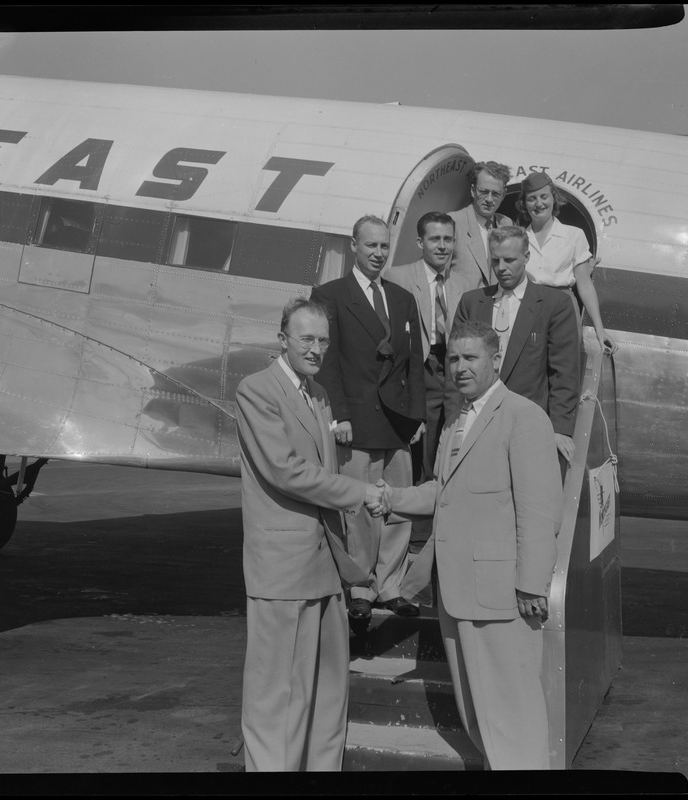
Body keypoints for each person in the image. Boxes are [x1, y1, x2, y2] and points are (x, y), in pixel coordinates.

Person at [373, 319, 562, 770]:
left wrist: (532, 585)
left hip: (503, 597)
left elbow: (540, 511)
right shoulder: (456, 422)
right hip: (458, 594)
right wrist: (391, 498)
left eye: (471, 358)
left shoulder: (524, 416)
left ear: (495, 361)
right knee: (480, 720)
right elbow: (442, 490)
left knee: (513, 718)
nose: (460, 368)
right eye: (453, 359)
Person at [235, 297, 386, 771]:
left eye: (323, 340)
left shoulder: (318, 394)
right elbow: (287, 471)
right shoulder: (257, 390)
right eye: (306, 339)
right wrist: (359, 491)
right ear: (283, 338)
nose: (316, 348)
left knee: (326, 693)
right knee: (276, 695)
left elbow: (321, 466)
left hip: (324, 563)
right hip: (282, 568)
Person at [310, 215, 426, 623]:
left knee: (397, 506)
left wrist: (417, 416)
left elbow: (413, 362)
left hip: (396, 422)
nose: (378, 253)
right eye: (371, 245)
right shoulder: (330, 295)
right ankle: (360, 586)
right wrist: (338, 416)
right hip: (355, 421)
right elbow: (327, 364)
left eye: (384, 246)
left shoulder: (402, 298)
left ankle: (391, 584)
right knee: (358, 509)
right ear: (354, 246)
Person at [449, 226, 580, 465]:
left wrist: (560, 429)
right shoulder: (472, 302)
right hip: (473, 425)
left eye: (509, 260)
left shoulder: (554, 305)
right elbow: (455, 368)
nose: (501, 268)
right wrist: (452, 423)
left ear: (526, 257)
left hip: (527, 426)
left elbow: (564, 372)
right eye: (495, 260)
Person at [384, 211, 468, 484]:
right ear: (420, 243)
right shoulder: (397, 277)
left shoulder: (464, 284)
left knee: (453, 430)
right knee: (423, 435)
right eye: (435, 239)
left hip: (453, 365)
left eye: (448, 239)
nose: (442, 246)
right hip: (421, 363)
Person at [515, 171, 617, 354]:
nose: (539, 204)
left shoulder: (574, 235)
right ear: (524, 203)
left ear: (554, 198)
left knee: (563, 367)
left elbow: (584, 285)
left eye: (544, 196)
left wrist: (599, 330)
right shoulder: (518, 237)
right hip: (526, 308)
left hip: (562, 309)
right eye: (531, 199)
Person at [448, 161, 514, 290]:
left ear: (504, 195)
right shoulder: (452, 222)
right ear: (473, 190)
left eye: (495, 194)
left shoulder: (506, 224)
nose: (489, 200)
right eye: (484, 192)